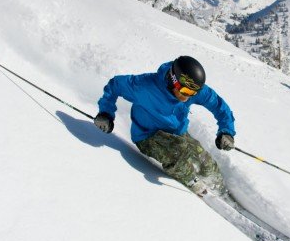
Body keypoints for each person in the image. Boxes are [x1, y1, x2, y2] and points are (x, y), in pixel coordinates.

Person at [94, 56, 236, 196]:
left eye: (192, 93)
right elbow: (115, 85)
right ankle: (195, 185)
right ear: (174, 81)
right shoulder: (145, 86)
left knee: (206, 161)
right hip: (147, 136)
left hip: (178, 134)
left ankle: (219, 189)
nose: (188, 97)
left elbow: (218, 105)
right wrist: (106, 113)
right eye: (186, 92)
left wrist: (226, 131)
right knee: (179, 153)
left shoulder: (191, 87)